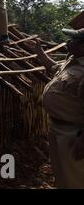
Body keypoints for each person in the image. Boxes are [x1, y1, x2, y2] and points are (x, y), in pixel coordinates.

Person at [27, 29, 84, 188]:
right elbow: (54, 67)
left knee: (75, 177)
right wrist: (39, 52)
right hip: (58, 128)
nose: (68, 42)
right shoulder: (72, 60)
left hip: (73, 133)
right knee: (61, 174)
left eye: (73, 40)